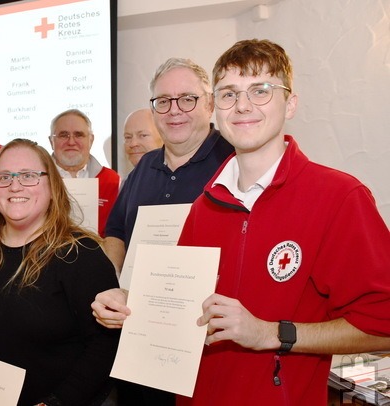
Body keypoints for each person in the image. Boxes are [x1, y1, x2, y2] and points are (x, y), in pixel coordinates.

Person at [92, 39, 390, 405]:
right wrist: (131, 303)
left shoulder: (339, 197)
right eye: (230, 94)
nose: (244, 105)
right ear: (216, 108)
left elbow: (382, 325)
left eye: (261, 90)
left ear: (291, 103)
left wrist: (272, 334)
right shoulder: (204, 206)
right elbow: (185, 310)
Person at [0, 138, 120, 405]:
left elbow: (105, 347)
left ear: (53, 186)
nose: (15, 185)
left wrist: (58, 402)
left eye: (29, 176)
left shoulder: (81, 254)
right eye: (4, 176)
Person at [104, 58, 234, 276]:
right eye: (163, 101)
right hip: (137, 304)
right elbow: (115, 232)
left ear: (209, 104)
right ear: (153, 110)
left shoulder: (233, 160)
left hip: (212, 307)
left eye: (186, 99)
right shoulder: (144, 166)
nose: (174, 110)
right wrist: (112, 277)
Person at [48, 109, 120, 237]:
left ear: (91, 140)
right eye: (63, 135)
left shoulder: (113, 181)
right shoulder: (36, 179)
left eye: (79, 135)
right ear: (51, 141)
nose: (71, 142)